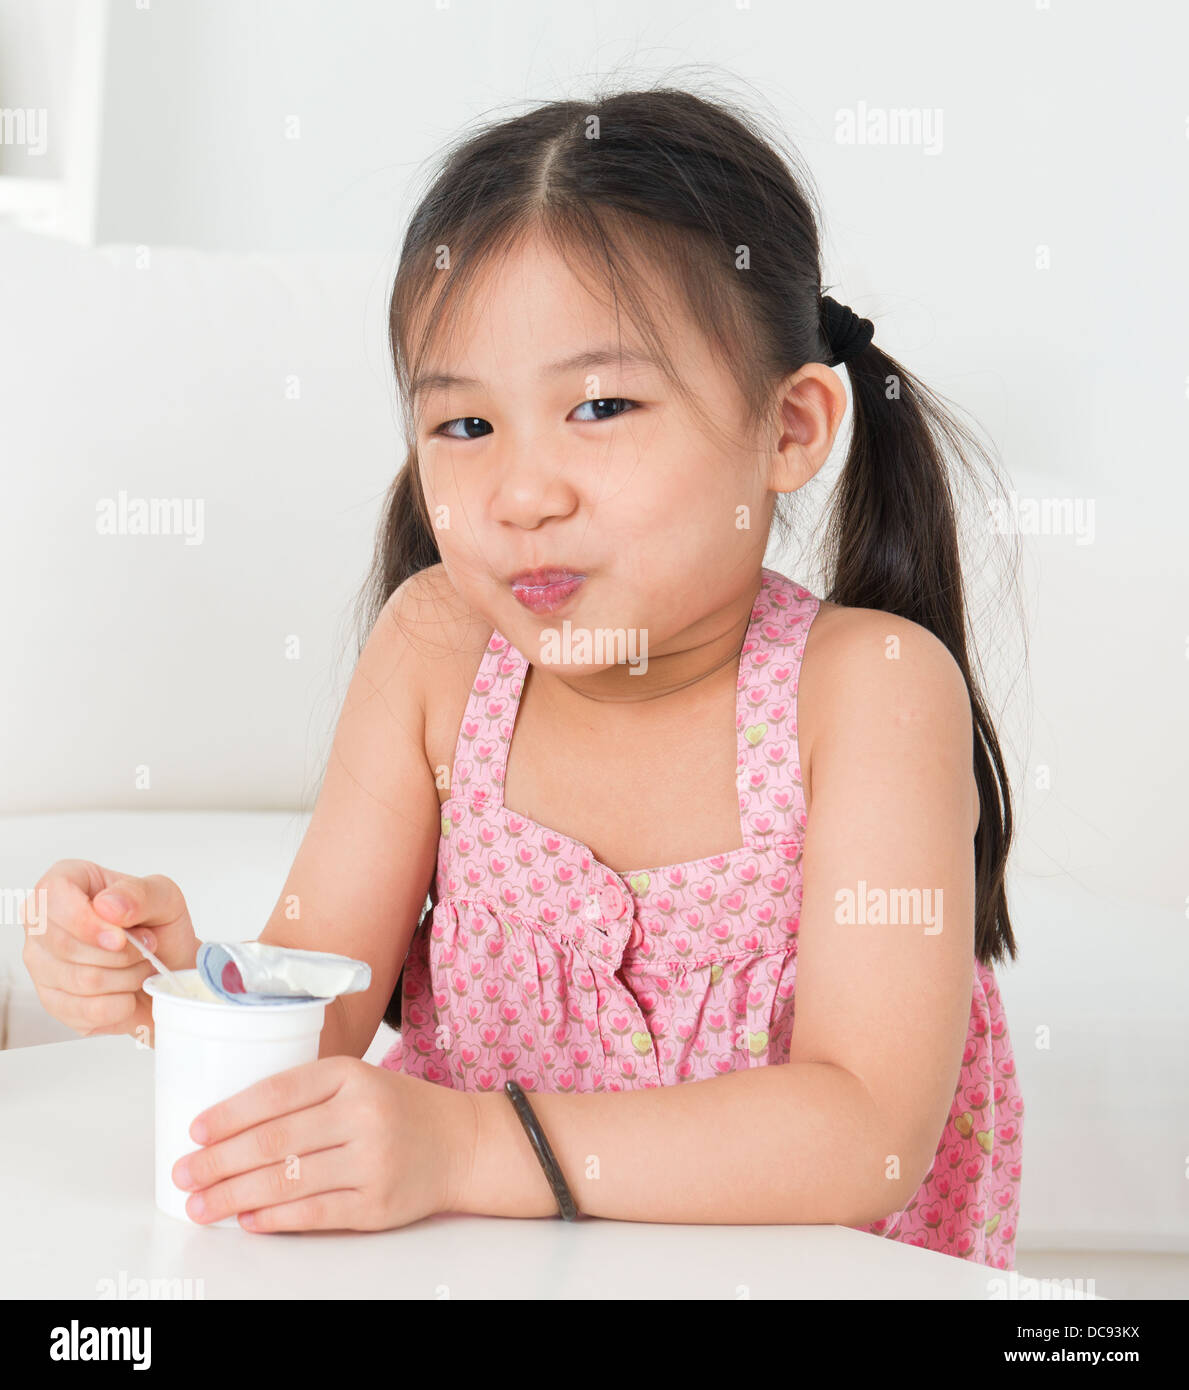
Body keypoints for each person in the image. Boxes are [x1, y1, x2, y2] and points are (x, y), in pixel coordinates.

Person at [23, 84, 1023, 1266]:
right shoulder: (440, 652)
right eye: (465, 427)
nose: (520, 494)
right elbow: (327, 1009)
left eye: (600, 406)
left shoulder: (867, 688)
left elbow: (864, 1131)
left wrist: (462, 1148)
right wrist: (181, 982)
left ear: (790, 428)